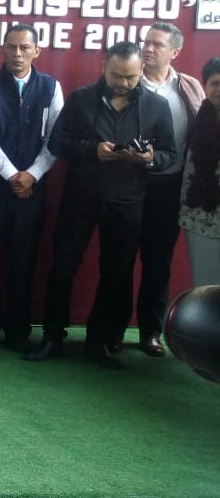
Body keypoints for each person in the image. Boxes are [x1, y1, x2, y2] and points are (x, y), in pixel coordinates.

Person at [25, 42, 176, 369]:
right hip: (81, 197)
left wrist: (150, 159)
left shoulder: (156, 105)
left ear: (141, 71)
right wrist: (91, 149)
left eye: (130, 77)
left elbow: (170, 154)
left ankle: (98, 341)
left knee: (116, 274)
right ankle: (52, 337)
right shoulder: (81, 98)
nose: (123, 82)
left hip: (128, 201)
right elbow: (57, 143)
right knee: (63, 266)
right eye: (116, 75)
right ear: (103, 67)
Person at [0, 24, 64, 350]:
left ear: (37, 50)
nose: (18, 54)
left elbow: (56, 138)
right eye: (11, 47)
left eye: (25, 47)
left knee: (24, 258)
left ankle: (17, 330)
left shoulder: (51, 87)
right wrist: (13, 175)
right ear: (3, 49)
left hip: (32, 188)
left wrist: (32, 175)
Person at [117, 22, 203, 356]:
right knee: (121, 259)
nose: (148, 49)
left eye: (157, 44)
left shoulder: (189, 87)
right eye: (146, 42)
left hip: (169, 187)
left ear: (175, 52)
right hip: (128, 183)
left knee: (158, 262)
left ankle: (150, 332)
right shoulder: (127, 83)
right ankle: (113, 330)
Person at [181, 57, 220, 288]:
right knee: (205, 287)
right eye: (215, 83)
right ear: (205, 86)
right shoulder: (198, 120)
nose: (219, 89)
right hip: (200, 219)